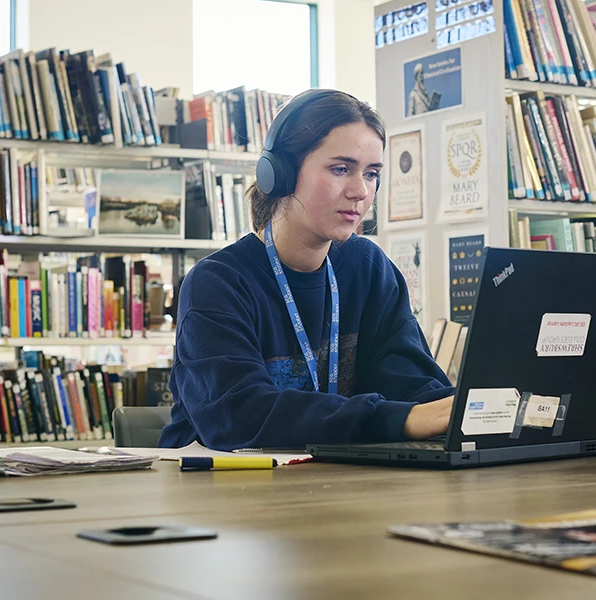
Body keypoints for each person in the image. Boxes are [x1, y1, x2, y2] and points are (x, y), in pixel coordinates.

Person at [158, 89, 454, 451]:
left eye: (372, 173)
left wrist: (490, 407)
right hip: (221, 489)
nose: (360, 191)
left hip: (333, 483)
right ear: (280, 173)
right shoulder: (218, 282)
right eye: (340, 169)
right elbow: (239, 417)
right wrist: (395, 419)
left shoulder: (369, 269)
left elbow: (417, 389)